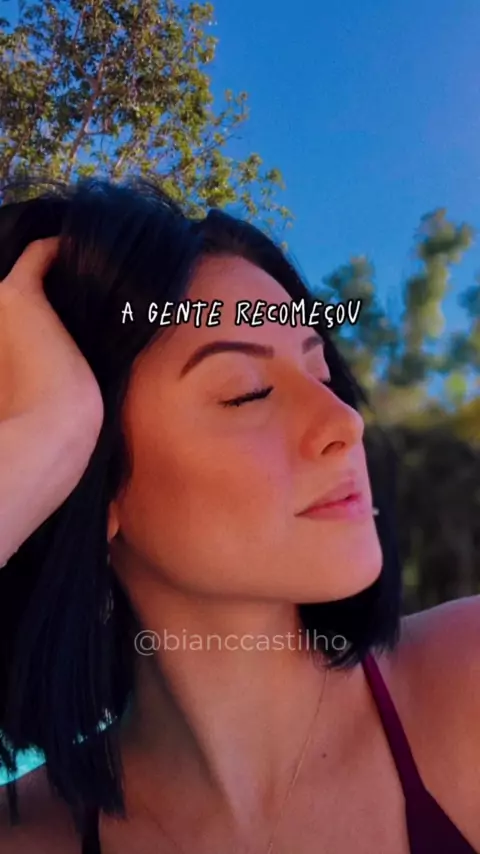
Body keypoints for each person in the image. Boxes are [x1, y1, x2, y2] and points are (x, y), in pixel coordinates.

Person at [0, 176, 478, 854]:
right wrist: (40, 438)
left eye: (321, 375)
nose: (344, 421)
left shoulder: (467, 683)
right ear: (86, 477)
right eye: (247, 393)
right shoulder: (27, 835)